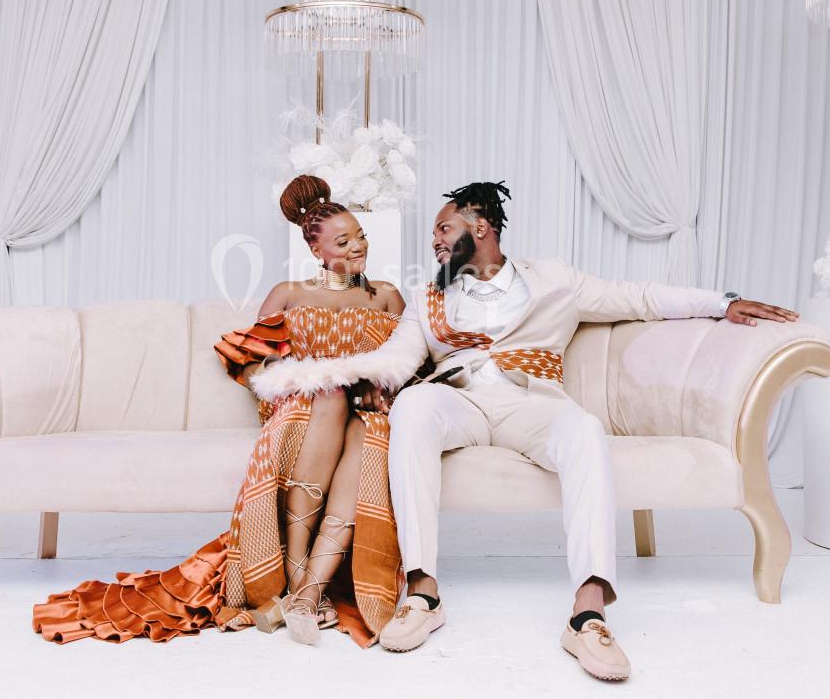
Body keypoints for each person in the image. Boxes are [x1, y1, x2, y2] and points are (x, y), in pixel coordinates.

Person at [253, 180, 797, 680]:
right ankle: (422, 594)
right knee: (414, 407)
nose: (435, 242)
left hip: (530, 402)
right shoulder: (430, 297)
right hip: (458, 400)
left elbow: (642, 297)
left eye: (444, 229)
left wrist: (723, 303)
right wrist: (357, 380)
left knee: (584, 429)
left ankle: (588, 612)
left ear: (480, 227)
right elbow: (398, 354)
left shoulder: (556, 280)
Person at [32, 175, 424, 647]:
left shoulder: (384, 294)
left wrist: (377, 383)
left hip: (366, 410)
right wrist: (313, 378)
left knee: (371, 434)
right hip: (305, 408)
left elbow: (409, 359)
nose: (357, 246)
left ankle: (309, 592)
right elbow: (258, 365)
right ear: (316, 251)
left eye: (360, 234)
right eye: (343, 241)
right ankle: (298, 576)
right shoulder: (288, 292)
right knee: (329, 396)